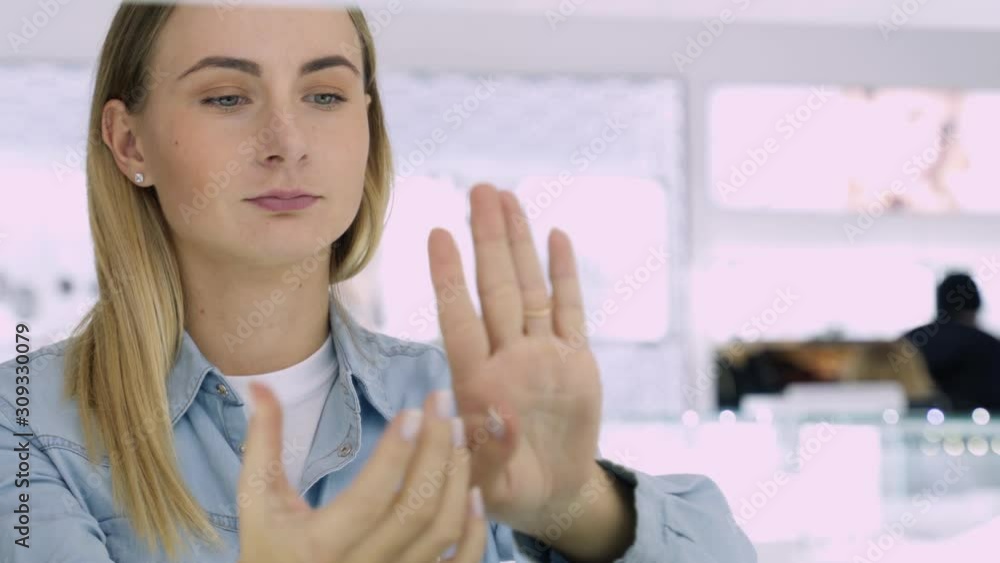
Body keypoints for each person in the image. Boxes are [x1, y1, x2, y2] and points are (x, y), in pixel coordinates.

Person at [0, 3, 755, 563]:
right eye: (227, 96)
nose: (286, 142)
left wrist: (577, 505)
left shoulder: (462, 405)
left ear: (367, 129)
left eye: (324, 95)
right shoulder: (23, 425)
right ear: (130, 142)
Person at [902, 272, 1000, 411]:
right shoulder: (991, 347)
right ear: (976, 308)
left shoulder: (909, 343)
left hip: (914, 430)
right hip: (982, 430)